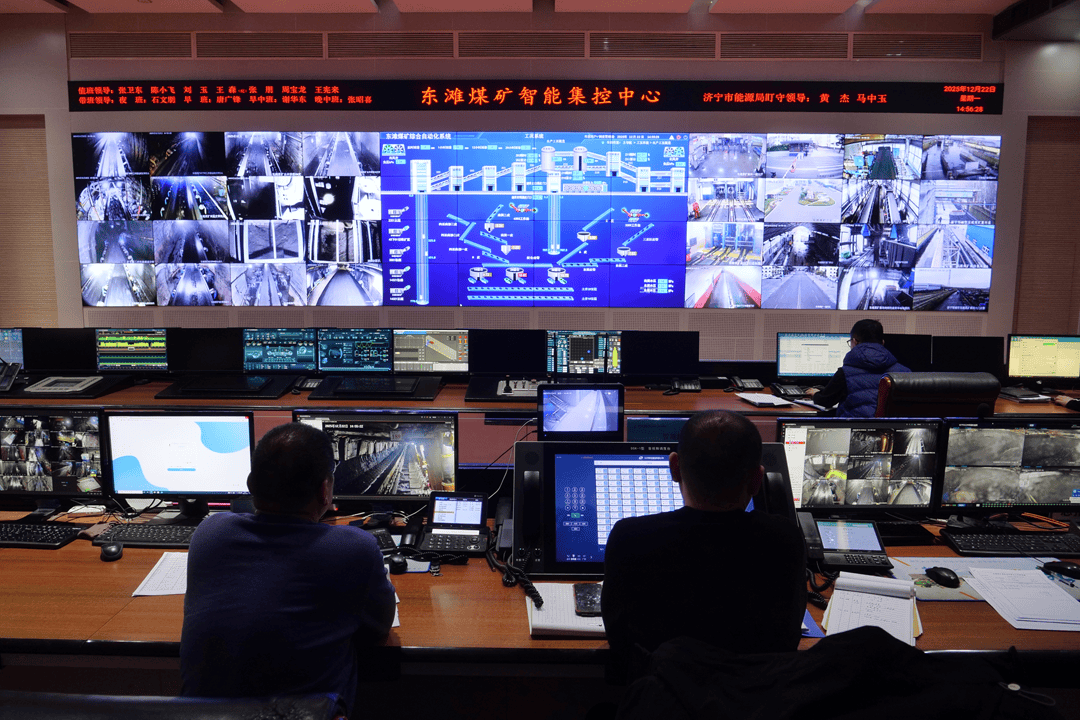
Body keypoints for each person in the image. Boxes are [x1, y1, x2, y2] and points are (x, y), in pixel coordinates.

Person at [180, 422, 395, 714]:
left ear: (250, 485)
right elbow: (378, 629)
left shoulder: (210, 532)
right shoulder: (355, 547)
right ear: (325, 491)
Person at [600, 410, 807, 674]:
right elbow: (787, 639)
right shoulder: (785, 539)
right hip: (757, 696)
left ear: (674, 468)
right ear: (758, 480)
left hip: (661, 694)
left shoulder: (629, 537)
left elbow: (619, 641)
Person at [806, 318, 909, 418]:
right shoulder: (905, 373)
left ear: (854, 341)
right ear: (882, 342)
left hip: (854, 428)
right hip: (892, 429)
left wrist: (816, 395)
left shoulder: (845, 373)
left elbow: (826, 401)